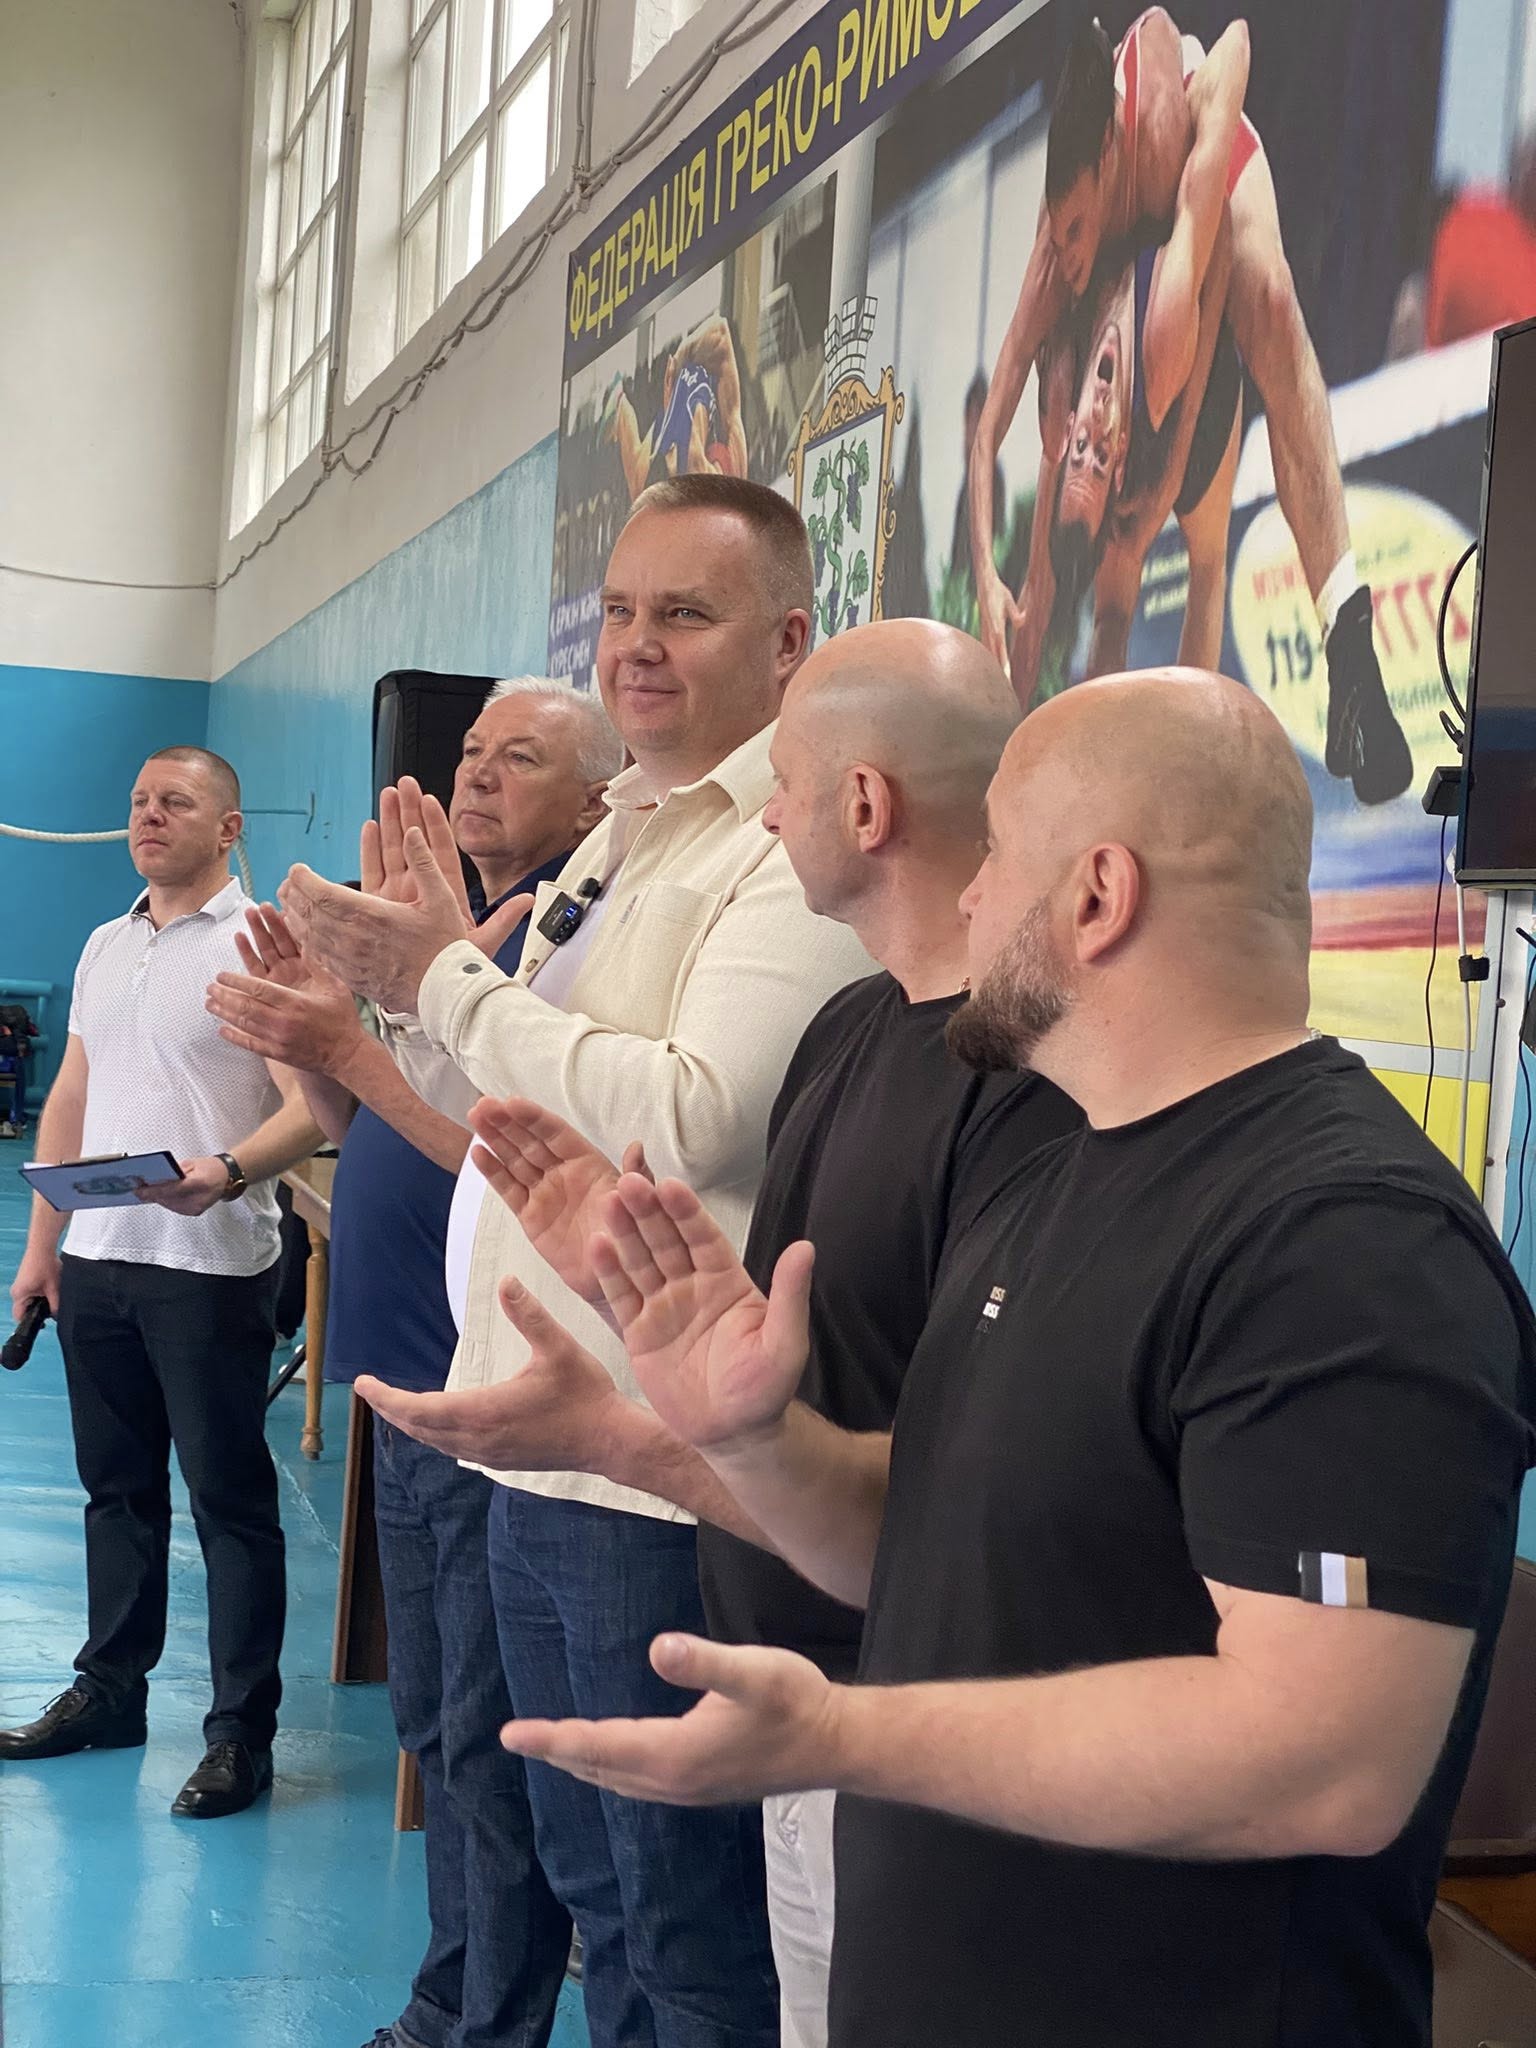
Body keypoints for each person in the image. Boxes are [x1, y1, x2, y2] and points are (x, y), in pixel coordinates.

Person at [475, 669, 1536, 2047]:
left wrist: (845, 1735)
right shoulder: (1058, 1169)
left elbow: (1324, 1758)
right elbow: (926, 1542)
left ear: (1097, 894)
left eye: (999, 858)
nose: (968, 896)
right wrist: (749, 1433)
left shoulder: (1346, 1243)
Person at [352, 619, 1082, 2046]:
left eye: (786, 786)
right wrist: (634, 1360)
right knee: (630, 1910)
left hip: (881, 1677)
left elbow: (967, 1471)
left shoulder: (1025, 1086)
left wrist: (647, 1439)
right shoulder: (850, 1029)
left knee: (695, 1950)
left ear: (861, 804)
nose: (765, 816)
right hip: (762, 1583)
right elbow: (774, 1336)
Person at [275, 475, 874, 2048]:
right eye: (618, 611)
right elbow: (500, 1105)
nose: (637, 645)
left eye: (686, 613)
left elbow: (693, 1115)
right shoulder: (623, 839)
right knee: (593, 1891)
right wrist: (397, 994)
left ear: (789, 641)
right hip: (538, 1450)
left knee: (681, 1926)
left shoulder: (777, 848)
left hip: (654, 1475)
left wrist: (446, 981)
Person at [207, 680, 619, 2048]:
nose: (477, 775)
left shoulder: (566, 944)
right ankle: (456, 1995)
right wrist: (311, 1038)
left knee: (485, 1741)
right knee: (437, 1722)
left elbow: (514, 1159)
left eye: (521, 757)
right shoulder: (454, 940)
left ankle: (472, 2016)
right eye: (471, 753)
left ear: (599, 798)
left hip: (489, 1388)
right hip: (407, 1381)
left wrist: (353, 1036)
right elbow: (363, 1124)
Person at [972, 10, 1413, 803]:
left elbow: (1237, 46)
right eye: (1062, 241)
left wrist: (1167, 478)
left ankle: (1346, 635)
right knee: (1062, 411)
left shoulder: (1169, 127)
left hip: (1200, 185)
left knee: (1268, 298)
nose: (1066, 262)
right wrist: (993, 579)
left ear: (1110, 159)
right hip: (1149, 271)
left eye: (1075, 235)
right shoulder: (1058, 249)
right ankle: (1054, 762)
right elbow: (998, 424)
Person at [1, 747, 322, 1820]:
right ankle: (110, 1692)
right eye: (139, 800)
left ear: (229, 827)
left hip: (210, 1268)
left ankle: (241, 1735)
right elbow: (72, 1096)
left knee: (230, 1504)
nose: (149, 816)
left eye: (175, 802)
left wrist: (225, 1170)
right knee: (117, 1493)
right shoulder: (107, 941)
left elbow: (312, 1107)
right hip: (99, 1262)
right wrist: (43, 1247)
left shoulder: (258, 944)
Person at [1014, 206, 1242, 698]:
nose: (1096, 420)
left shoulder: (1062, 379)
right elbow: (1219, 236)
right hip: (1186, 386)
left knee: (1121, 597)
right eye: (1101, 456)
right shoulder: (1161, 342)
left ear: (1068, 431)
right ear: (1118, 457)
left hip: (1175, 399)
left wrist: (1172, 469)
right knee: (1183, 571)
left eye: (1082, 448)